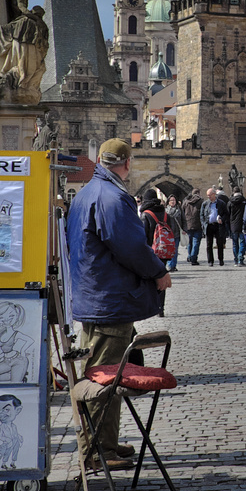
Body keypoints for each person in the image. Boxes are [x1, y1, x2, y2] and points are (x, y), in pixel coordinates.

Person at [66, 138, 171, 472]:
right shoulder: (112, 197)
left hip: (95, 296)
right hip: (108, 300)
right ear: (127, 164)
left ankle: (106, 443)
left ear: (100, 160)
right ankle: (98, 450)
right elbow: (131, 247)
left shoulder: (86, 193)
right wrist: (158, 272)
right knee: (104, 379)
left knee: (105, 374)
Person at [200, 186, 228, 266]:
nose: (208, 196)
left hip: (218, 225)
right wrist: (203, 223)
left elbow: (226, 213)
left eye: (210, 195)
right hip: (209, 225)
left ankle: (221, 260)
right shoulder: (205, 204)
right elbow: (201, 215)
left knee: (220, 244)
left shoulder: (221, 203)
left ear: (214, 194)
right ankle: (210, 261)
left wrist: (222, 219)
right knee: (209, 245)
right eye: (207, 195)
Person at [182, 187, 205, 265]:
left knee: (189, 242)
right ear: (198, 193)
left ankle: (189, 256)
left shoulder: (186, 201)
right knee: (196, 242)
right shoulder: (201, 201)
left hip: (188, 224)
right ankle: (193, 258)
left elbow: (182, 212)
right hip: (197, 224)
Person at [162, 193, 183, 271]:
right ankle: (170, 264)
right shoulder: (165, 210)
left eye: (174, 200)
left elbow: (183, 220)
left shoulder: (179, 209)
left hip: (177, 232)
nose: (173, 202)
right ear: (168, 202)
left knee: (175, 250)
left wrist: (184, 229)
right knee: (169, 249)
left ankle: (173, 265)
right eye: (171, 200)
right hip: (168, 233)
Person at [228, 187, 246, 266]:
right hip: (242, 224)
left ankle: (236, 260)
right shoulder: (244, 201)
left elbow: (228, 214)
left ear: (233, 192)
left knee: (235, 243)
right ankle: (240, 259)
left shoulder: (230, 202)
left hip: (233, 225)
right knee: (242, 242)